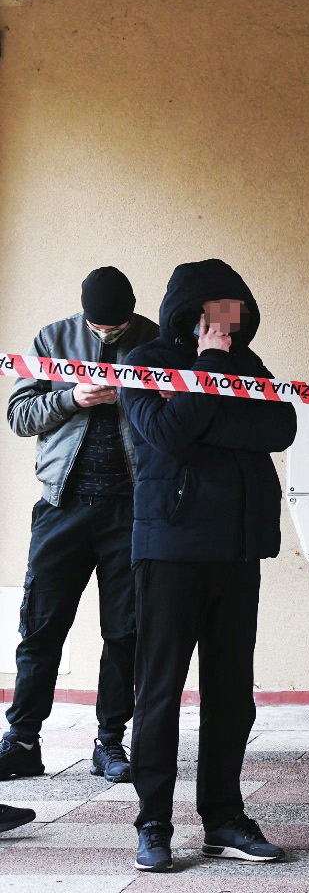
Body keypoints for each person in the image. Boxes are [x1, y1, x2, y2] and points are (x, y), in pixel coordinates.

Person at [120, 260, 298, 873]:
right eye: (216, 310)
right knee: (160, 692)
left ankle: (223, 818)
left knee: (231, 695)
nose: (227, 322)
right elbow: (166, 433)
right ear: (190, 313)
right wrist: (210, 369)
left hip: (237, 548)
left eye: (234, 310)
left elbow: (280, 426)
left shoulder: (250, 363)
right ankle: (153, 822)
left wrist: (203, 407)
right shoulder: (145, 360)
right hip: (170, 548)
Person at [2, 268, 157, 785]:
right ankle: (23, 741)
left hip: (131, 509)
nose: (108, 333)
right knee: (41, 626)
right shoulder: (52, 339)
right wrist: (73, 397)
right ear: (84, 314)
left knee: (125, 632)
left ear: (131, 313)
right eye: (98, 326)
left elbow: (177, 417)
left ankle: (110, 743)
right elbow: (19, 416)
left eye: (117, 326)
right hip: (61, 505)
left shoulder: (155, 340)